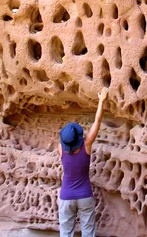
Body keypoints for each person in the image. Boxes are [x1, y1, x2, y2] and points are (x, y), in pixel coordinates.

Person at [57, 88, 107, 237]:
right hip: (84, 195)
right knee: (88, 233)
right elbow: (97, 122)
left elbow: (63, 142)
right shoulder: (86, 146)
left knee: (66, 233)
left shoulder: (60, 149)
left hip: (66, 196)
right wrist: (101, 100)